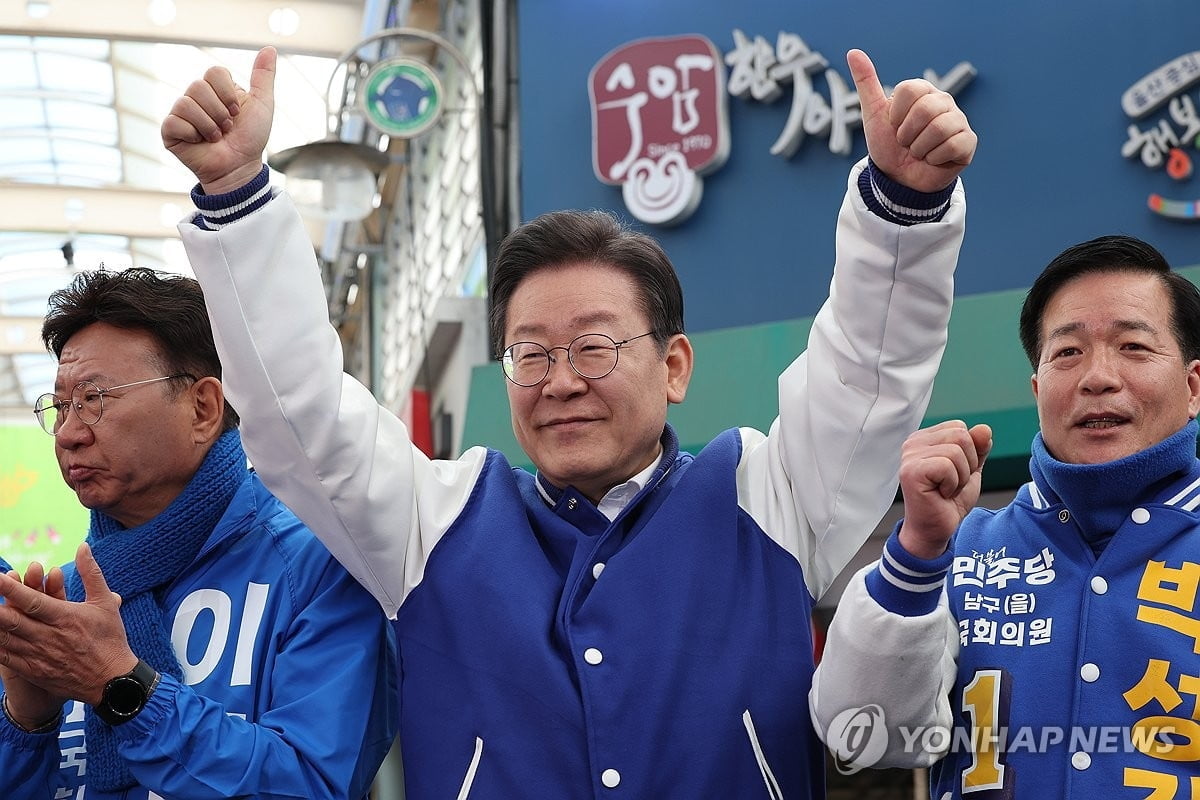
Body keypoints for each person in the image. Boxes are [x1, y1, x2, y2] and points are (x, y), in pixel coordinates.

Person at [161, 45, 976, 799]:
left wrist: (900, 208)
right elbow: (294, 408)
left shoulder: (769, 496)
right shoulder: (433, 520)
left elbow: (865, 377)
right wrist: (237, 198)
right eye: (530, 354)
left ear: (675, 366)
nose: (559, 383)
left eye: (593, 348)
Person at [811, 234, 1200, 797]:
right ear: (1039, 389)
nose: (1097, 377)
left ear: (1192, 387)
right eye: (1068, 352)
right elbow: (862, 734)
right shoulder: (964, 550)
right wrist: (918, 548)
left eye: (1133, 347)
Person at [0, 268, 397, 799]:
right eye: (60, 406)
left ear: (203, 408)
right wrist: (27, 722)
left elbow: (309, 784)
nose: (70, 434)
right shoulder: (60, 604)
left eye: (95, 399)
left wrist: (120, 687)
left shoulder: (318, 567)